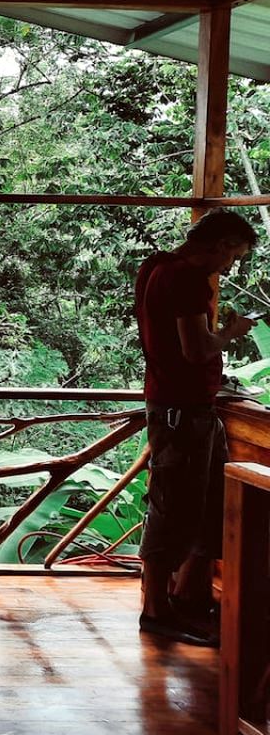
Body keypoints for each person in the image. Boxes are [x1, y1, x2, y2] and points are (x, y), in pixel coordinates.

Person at [135, 209, 258, 647]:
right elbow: (194, 350)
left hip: (174, 403)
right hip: (181, 408)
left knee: (186, 503)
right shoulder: (186, 280)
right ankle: (157, 610)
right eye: (233, 257)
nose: (229, 267)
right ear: (221, 244)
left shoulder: (155, 267)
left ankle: (179, 598)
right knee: (172, 506)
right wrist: (231, 331)